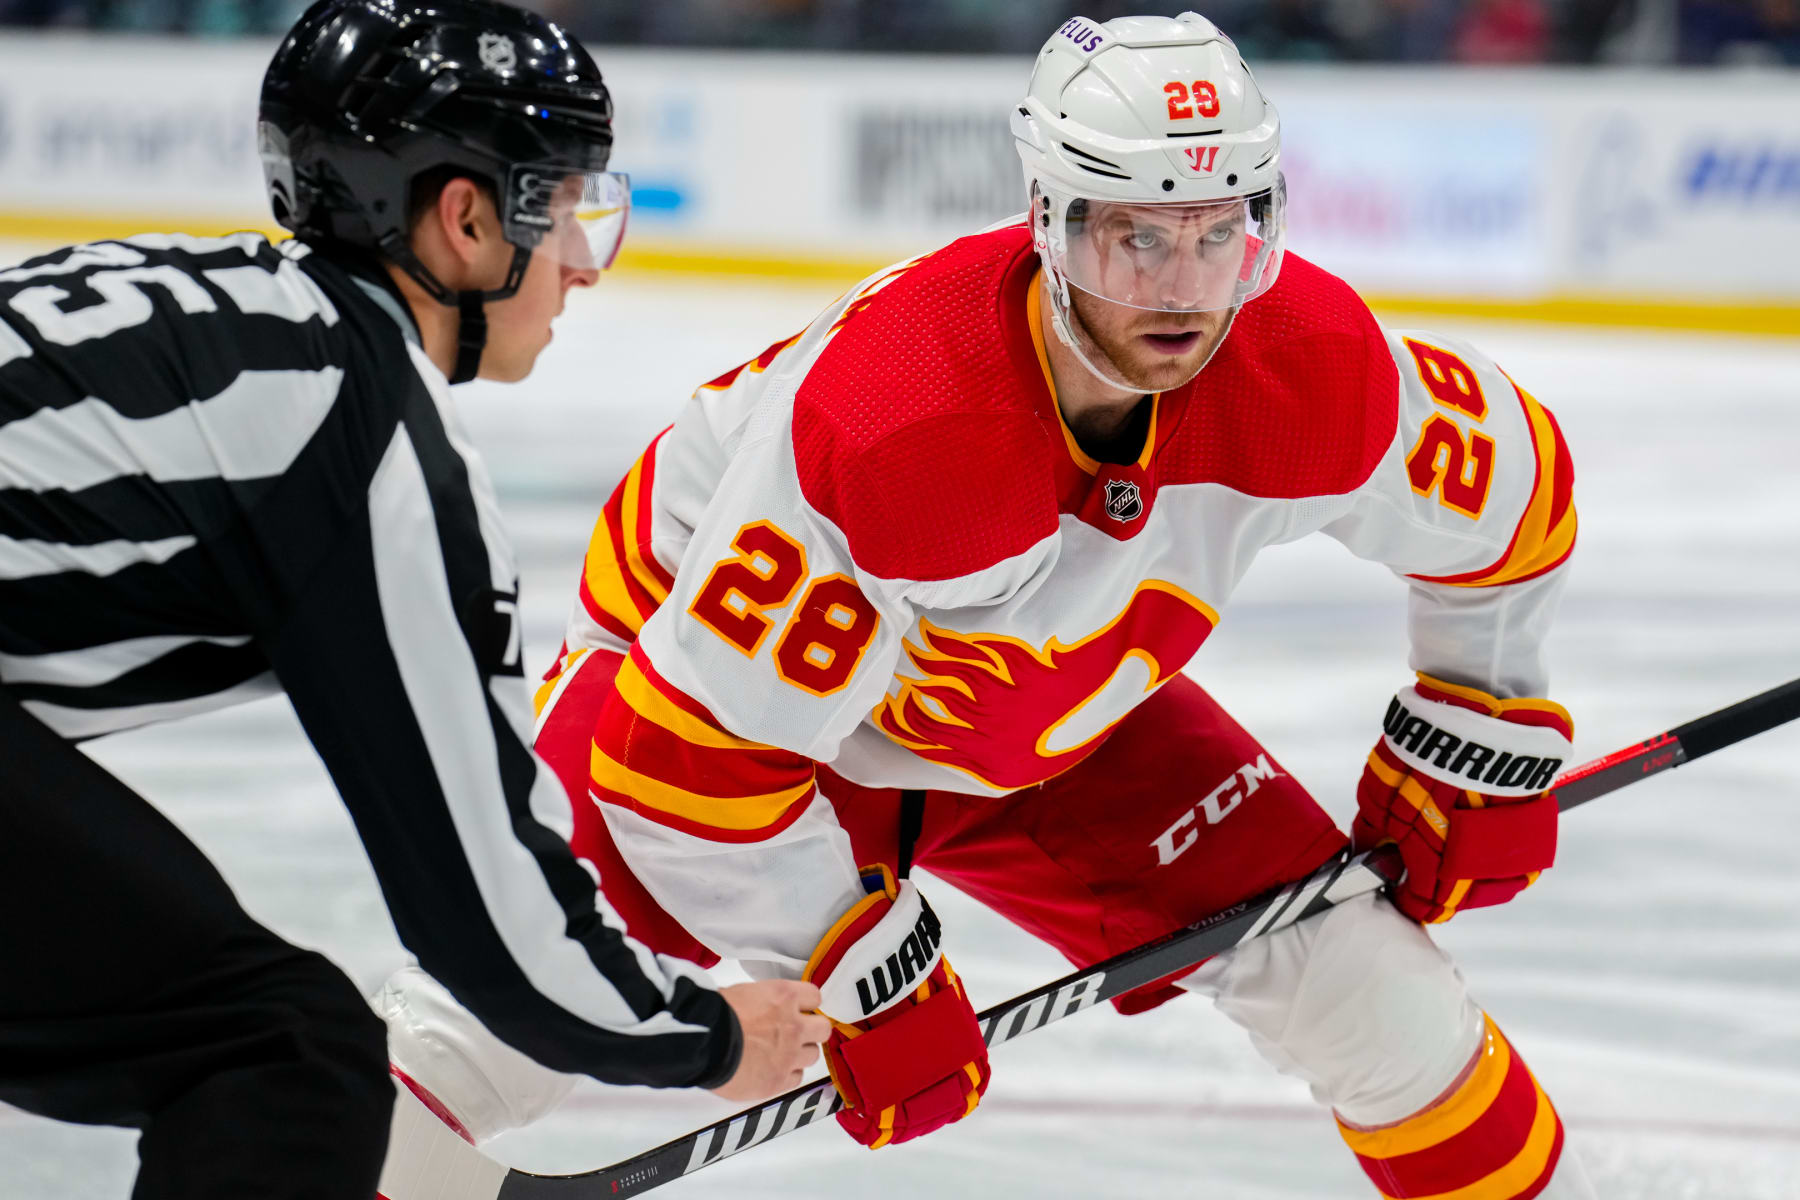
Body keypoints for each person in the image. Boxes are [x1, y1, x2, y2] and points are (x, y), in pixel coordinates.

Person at [379, 11, 1596, 1197]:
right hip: (712, 716)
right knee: (480, 1034)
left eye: (1219, 235)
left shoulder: (1310, 369)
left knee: (1378, 1002)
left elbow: (1518, 495)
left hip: (1044, 713)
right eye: (1136, 239)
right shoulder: (901, 427)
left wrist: (1477, 716)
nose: (1182, 292)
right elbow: (684, 766)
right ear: (1051, 221)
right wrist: (854, 962)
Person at [0, 2, 826, 1197]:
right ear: (466, 220)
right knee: (283, 1055)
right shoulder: (353, 426)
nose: (584, 264)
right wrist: (705, 1038)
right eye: (566, 208)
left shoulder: (209, 316)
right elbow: (485, 914)